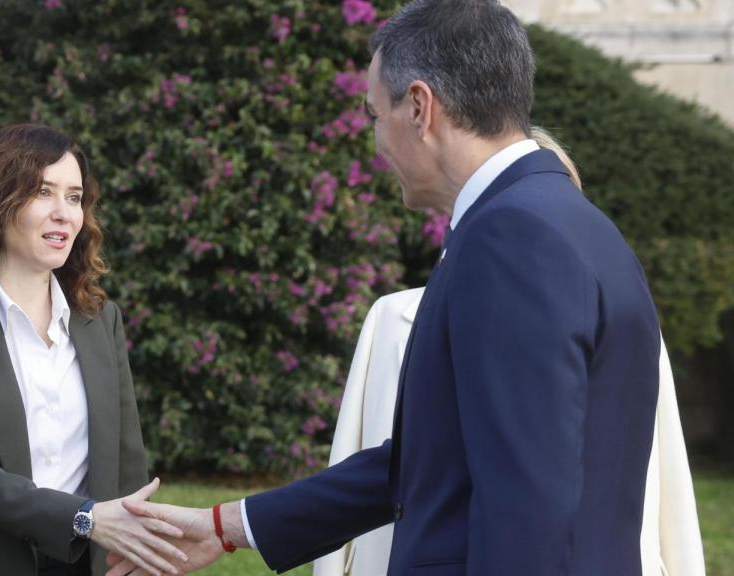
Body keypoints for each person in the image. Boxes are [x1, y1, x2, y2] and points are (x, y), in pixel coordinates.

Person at [108, 1, 663, 574]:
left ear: (420, 106)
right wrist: (227, 527)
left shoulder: (510, 237)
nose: (375, 143)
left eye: (375, 115)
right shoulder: (574, 223)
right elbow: (438, 460)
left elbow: (529, 503)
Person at [312, 130, 706, 576]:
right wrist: (240, 523)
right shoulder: (395, 316)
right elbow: (396, 460)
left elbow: (661, 476)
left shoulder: (602, 304)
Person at [0, 124, 188, 576]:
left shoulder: (99, 321)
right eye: (43, 192)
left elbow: (125, 461)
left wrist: (133, 552)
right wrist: (82, 518)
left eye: (74, 197)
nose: (64, 214)